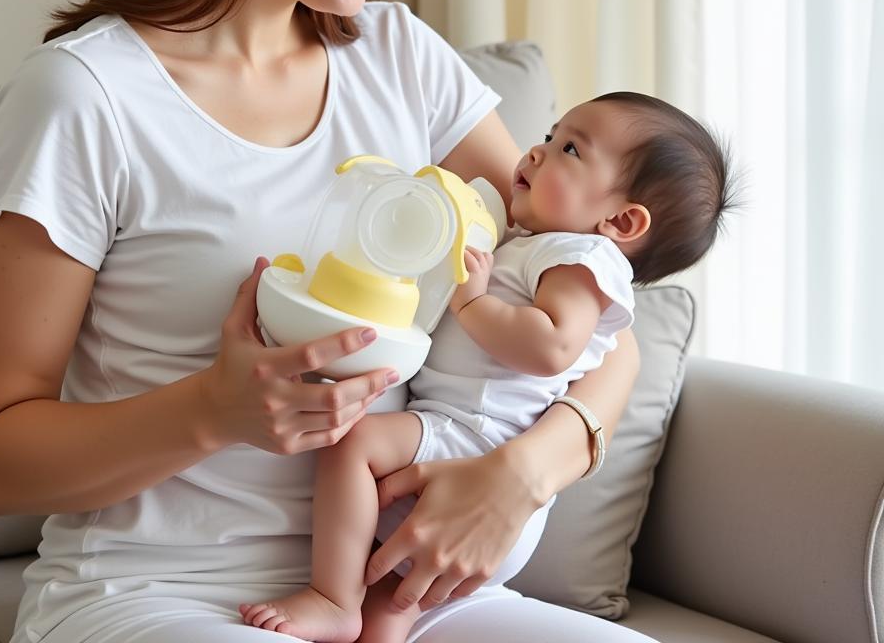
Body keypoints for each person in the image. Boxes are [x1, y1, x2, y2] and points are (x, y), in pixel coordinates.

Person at [0, 0, 657, 643]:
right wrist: (213, 410)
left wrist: (527, 469)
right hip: (153, 594)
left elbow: (606, 311)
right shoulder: (85, 96)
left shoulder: (404, 60)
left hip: (393, 595)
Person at [240, 93, 734, 642]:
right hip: (461, 445)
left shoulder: (583, 259)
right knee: (394, 604)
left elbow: (553, 346)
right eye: (550, 134)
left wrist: (474, 305)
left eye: (569, 148)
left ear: (620, 220)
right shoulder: (534, 243)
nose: (538, 152)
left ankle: (331, 597)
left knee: (353, 445)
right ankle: (368, 620)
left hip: (478, 439)